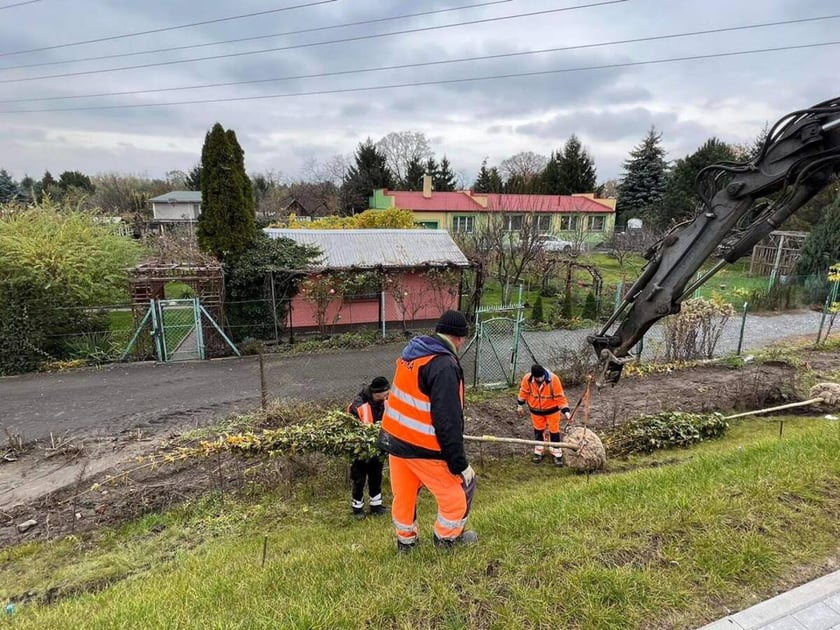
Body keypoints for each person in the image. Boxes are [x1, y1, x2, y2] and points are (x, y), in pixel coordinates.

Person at [379, 309, 477, 552]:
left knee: (404, 496)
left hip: (395, 441)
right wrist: (459, 463)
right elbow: (447, 420)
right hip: (422, 446)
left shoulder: (412, 354)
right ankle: (446, 540)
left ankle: (406, 543)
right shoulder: (443, 365)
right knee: (458, 493)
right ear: (459, 338)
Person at [346, 376, 391, 520]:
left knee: (376, 476)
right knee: (359, 479)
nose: (387, 396)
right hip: (360, 449)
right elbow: (354, 426)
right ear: (376, 394)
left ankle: (376, 506)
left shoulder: (385, 402)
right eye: (385, 394)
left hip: (377, 447)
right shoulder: (359, 405)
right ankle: (357, 508)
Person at [517, 363, 571, 467]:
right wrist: (520, 405)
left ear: (544, 373)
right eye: (537, 378)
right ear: (533, 376)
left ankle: (556, 453)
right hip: (536, 411)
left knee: (554, 431)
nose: (540, 379)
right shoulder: (527, 379)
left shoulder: (554, 379)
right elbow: (523, 392)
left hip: (552, 411)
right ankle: (539, 451)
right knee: (538, 430)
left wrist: (566, 412)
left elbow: (560, 397)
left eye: (541, 377)